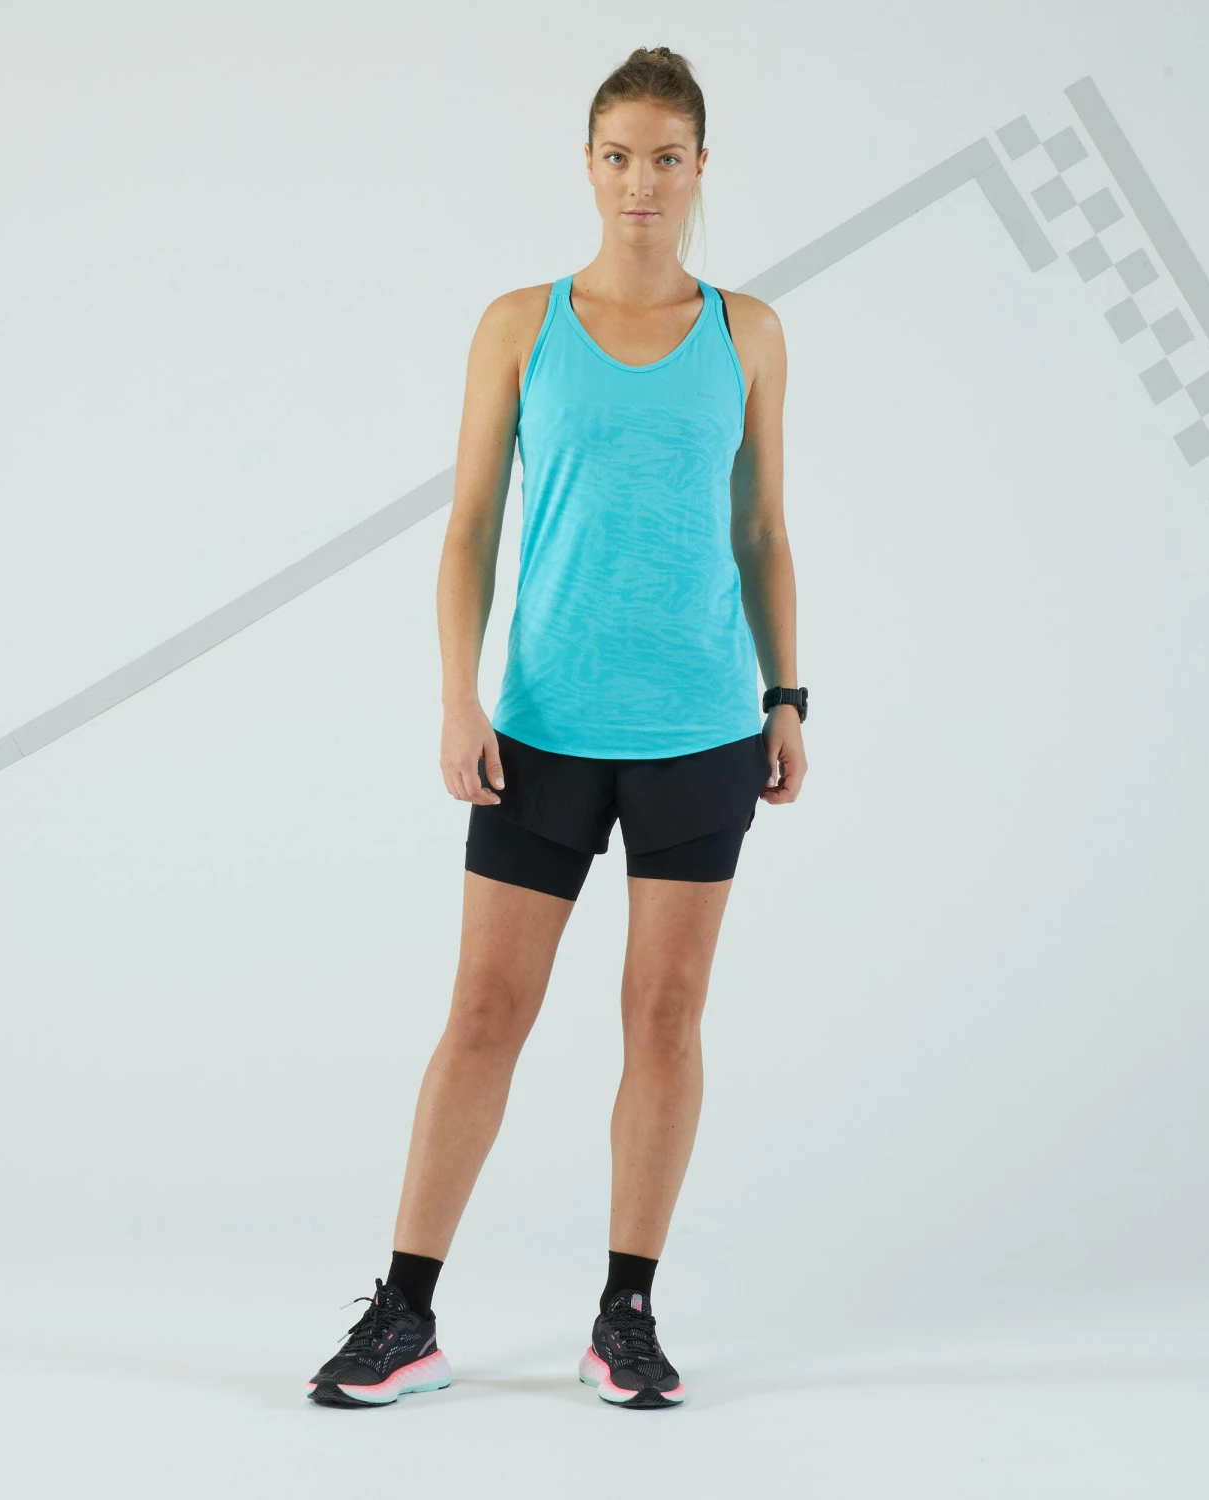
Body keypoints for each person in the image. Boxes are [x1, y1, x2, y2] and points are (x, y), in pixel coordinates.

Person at [306, 44, 807, 1412]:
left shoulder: (750, 332)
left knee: (665, 1015)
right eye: (618, 156)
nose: (641, 181)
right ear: (587, 166)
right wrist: (457, 696)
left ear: (700, 168)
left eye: (666, 158)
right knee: (485, 1011)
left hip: (701, 728)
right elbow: (470, 527)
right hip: (541, 730)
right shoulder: (519, 325)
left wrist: (786, 697)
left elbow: (763, 530)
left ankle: (625, 1314)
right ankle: (405, 1312)